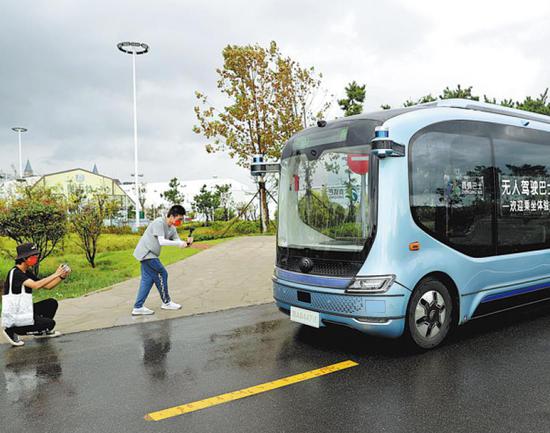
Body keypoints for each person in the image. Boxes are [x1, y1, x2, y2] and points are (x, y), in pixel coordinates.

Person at [1, 243, 71, 347]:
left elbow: (48, 286)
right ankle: (11, 330)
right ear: (24, 258)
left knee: (51, 303)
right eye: (33, 256)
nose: (36, 258)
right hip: (16, 316)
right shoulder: (16, 273)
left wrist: (61, 277)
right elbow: (36, 285)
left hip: (24, 310)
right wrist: (55, 274)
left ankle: (41, 331)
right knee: (50, 324)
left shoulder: (26, 272)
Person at [132, 204, 193, 316]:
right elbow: (162, 241)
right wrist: (179, 243)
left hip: (150, 254)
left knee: (147, 281)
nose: (181, 221)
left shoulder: (172, 228)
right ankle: (166, 302)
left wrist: (187, 243)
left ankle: (138, 307)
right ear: (172, 216)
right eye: (179, 219)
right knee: (162, 273)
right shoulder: (159, 222)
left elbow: (177, 242)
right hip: (146, 253)